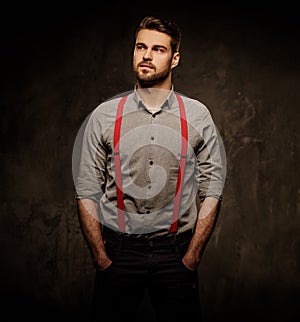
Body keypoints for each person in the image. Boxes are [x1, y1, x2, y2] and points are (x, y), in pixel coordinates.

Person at [73, 15, 226, 322]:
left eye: (158, 49)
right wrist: (100, 257)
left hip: (175, 253)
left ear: (175, 58)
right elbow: (86, 187)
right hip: (118, 251)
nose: (146, 55)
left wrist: (192, 255)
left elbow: (213, 187)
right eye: (141, 47)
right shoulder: (105, 115)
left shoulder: (197, 115)